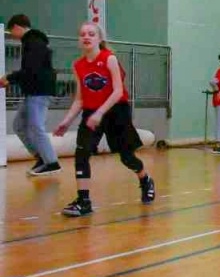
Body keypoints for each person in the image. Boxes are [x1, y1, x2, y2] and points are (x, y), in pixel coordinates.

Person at [54, 22, 154, 216]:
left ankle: (145, 179)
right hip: (91, 112)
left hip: (116, 111)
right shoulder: (78, 65)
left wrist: (100, 113)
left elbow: (117, 91)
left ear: (99, 39)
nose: (86, 37)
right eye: (83, 34)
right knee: (82, 152)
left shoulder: (109, 59)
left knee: (126, 157)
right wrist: (66, 121)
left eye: (91, 34)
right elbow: (80, 99)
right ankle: (84, 201)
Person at [2, 13, 60, 176]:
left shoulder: (34, 43)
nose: (12, 36)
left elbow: (31, 69)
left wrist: (10, 78)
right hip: (32, 92)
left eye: (12, 32)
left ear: (17, 27)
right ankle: (41, 157)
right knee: (19, 125)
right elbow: (31, 70)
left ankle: (52, 162)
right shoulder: (32, 42)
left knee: (36, 126)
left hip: (39, 91)